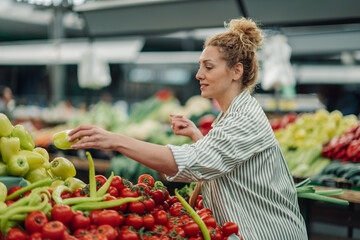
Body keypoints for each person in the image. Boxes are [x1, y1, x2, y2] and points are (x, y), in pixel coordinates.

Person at [68, 18, 307, 239]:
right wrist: (197, 136)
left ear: (236, 71)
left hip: (270, 232)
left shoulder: (246, 118)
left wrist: (116, 141)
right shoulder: (231, 114)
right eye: (200, 66)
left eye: (208, 67)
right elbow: (223, 161)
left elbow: (192, 165)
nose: (199, 74)